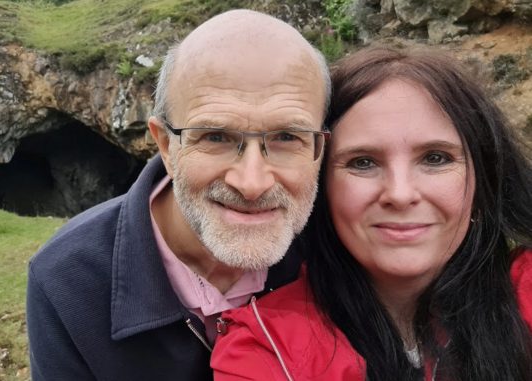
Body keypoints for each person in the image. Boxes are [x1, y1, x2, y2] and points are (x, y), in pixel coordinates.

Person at [26, 9, 331, 380]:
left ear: (319, 148)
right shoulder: (67, 281)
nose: (252, 183)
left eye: (287, 137)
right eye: (215, 137)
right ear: (166, 146)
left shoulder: (339, 244)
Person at [212, 47, 532, 381]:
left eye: (436, 158)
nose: (400, 193)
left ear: (484, 178)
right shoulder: (265, 348)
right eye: (362, 162)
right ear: (320, 188)